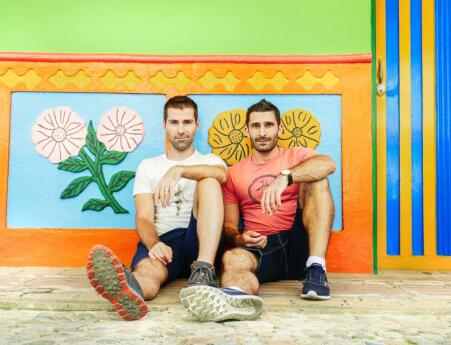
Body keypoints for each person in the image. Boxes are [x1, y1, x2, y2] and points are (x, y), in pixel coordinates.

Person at [180, 99, 336, 322]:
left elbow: (328, 164)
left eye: (268, 125)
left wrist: (286, 176)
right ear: (247, 130)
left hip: (298, 241)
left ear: (279, 128)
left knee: (318, 180)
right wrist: (241, 238)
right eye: (256, 126)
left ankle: (316, 270)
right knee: (233, 259)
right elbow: (230, 228)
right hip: (261, 248)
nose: (262, 132)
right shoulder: (234, 173)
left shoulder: (296, 156)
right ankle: (236, 298)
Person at [86, 95, 227, 321]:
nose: (181, 129)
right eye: (174, 122)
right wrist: (155, 244)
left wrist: (178, 170)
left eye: (187, 122)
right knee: (149, 276)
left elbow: (221, 175)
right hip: (165, 240)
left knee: (209, 181)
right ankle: (129, 290)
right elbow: (143, 218)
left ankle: (204, 270)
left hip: (200, 240)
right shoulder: (149, 166)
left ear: (197, 125)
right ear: (164, 125)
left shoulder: (211, 160)